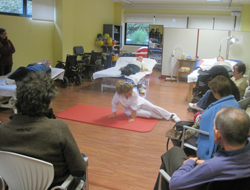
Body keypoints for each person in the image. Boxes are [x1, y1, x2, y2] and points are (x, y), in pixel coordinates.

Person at [0, 72, 87, 189]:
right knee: (82, 158)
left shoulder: (2, 131)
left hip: (16, 185)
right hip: (55, 187)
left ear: (18, 99)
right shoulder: (58, 128)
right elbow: (79, 170)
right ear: (49, 101)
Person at [154, 106, 250, 190]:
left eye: (214, 127)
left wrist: (189, 163)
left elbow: (175, 184)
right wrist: (205, 162)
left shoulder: (212, 167)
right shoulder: (215, 165)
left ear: (217, 135)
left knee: (174, 152)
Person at [108, 80, 180, 123]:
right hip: (129, 110)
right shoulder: (117, 95)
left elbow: (134, 106)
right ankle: (165, 118)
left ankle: (171, 115)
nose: (131, 93)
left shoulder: (134, 92)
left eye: (131, 92)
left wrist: (133, 118)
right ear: (123, 92)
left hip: (140, 102)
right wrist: (114, 114)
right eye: (129, 93)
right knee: (149, 114)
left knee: (153, 107)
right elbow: (114, 104)